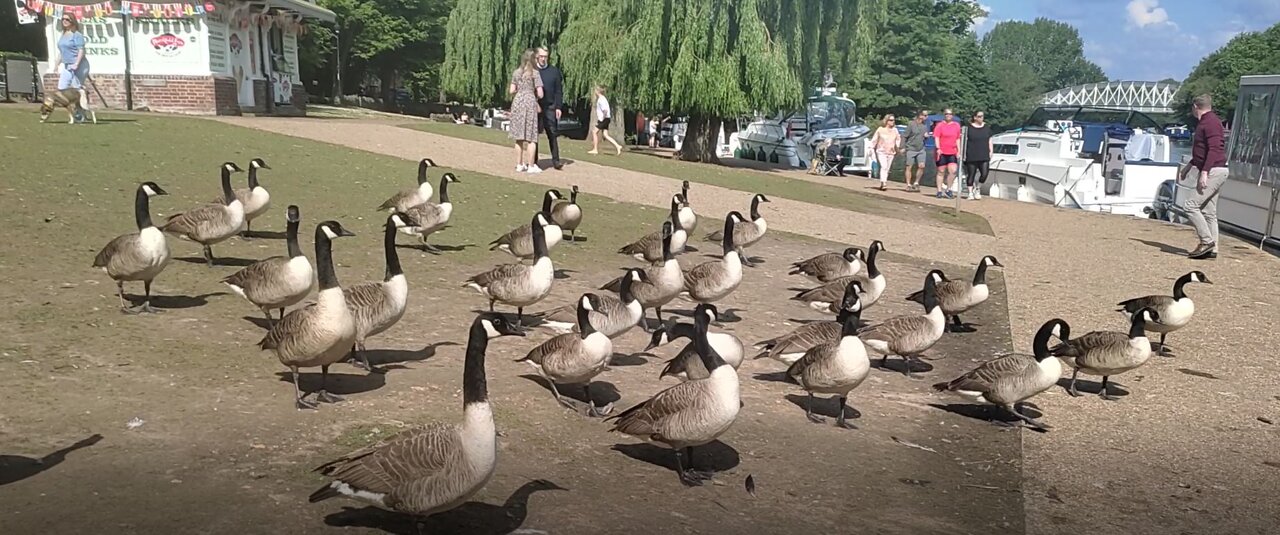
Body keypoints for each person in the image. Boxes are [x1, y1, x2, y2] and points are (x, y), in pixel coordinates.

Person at [1183, 94, 1229, 259]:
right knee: (1209, 212)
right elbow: (1203, 149)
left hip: (1213, 171)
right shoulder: (1209, 121)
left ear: (1195, 106)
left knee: (1190, 206)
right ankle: (1213, 249)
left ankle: (1206, 241)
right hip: (1216, 169)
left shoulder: (1209, 123)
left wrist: (1204, 172)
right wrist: (1189, 165)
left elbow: (1214, 149)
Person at [507, 48, 544, 174]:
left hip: (518, 101)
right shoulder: (535, 73)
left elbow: (511, 90)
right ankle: (531, 165)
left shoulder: (517, 72)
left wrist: (520, 91)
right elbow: (541, 93)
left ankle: (519, 164)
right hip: (529, 102)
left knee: (519, 136)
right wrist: (533, 93)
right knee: (531, 137)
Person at [53, 13, 90, 123]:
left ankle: (81, 114)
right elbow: (62, 52)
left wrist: (76, 64)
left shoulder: (76, 35)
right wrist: (56, 64)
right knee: (62, 88)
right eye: (63, 19)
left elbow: (81, 50)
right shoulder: (64, 34)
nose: (64, 21)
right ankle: (74, 111)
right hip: (67, 65)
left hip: (79, 65)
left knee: (76, 89)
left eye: (67, 20)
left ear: (72, 21)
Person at [535, 47, 564, 170]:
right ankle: (533, 160)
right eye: (541, 56)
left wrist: (558, 107)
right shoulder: (533, 70)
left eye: (545, 56)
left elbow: (558, 90)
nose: (543, 59)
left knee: (552, 134)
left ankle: (556, 160)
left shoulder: (554, 71)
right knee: (534, 135)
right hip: (535, 106)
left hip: (550, 106)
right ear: (537, 56)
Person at [962, 111, 993, 200]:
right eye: (979, 116)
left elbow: (989, 139)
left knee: (984, 173)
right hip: (972, 154)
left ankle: (978, 188)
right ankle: (970, 192)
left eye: (982, 116)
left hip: (984, 153)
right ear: (975, 117)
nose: (981, 118)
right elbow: (964, 140)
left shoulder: (986, 128)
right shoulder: (969, 128)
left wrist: (991, 151)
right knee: (971, 174)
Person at [933, 108, 962, 199]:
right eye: (946, 114)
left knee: (953, 171)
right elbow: (936, 137)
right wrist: (938, 148)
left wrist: (959, 150)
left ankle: (949, 189)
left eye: (950, 114)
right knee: (941, 171)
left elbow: (957, 138)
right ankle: (939, 190)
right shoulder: (940, 125)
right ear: (944, 115)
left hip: (952, 151)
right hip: (942, 151)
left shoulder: (956, 125)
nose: (948, 115)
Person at [869, 114, 901, 191]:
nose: (892, 122)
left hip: (891, 152)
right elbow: (874, 140)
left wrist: (897, 147)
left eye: (893, 120)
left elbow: (898, 139)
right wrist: (871, 148)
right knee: (884, 166)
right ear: (886, 121)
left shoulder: (895, 130)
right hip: (881, 151)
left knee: (887, 168)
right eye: (891, 120)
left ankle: (883, 182)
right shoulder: (880, 129)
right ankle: (884, 183)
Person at [589, 85, 622, 155]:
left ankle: (595, 149)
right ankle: (618, 146)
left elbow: (605, 110)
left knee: (594, 132)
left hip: (604, 119)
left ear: (598, 91)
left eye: (595, 90)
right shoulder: (603, 98)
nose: (594, 92)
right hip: (606, 119)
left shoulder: (601, 100)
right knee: (605, 135)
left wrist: (602, 119)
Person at [902, 110, 929, 192]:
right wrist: (902, 147)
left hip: (921, 149)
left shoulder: (925, 126)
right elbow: (904, 136)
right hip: (911, 148)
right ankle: (908, 184)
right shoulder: (911, 124)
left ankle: (916, 182)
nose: (926, 117)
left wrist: (926, 136)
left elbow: (924, 137)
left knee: (922, 166)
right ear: (920, 116)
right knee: (909, 166)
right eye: (925, 115)